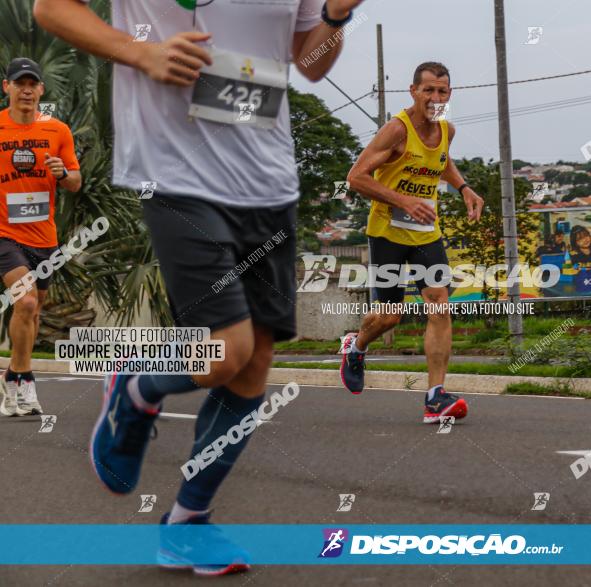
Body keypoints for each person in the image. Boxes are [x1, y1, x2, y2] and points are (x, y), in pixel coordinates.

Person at [35, 0, 363, 575]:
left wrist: (335, 16)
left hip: (267, 178)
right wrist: (140, 52)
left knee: (256, 361)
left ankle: (188, 521)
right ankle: (138, 388)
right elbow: (50, 8)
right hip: (174, 172)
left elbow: (308, 63)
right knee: (227, 349)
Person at [339, 62, 484, 423]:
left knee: (439, 304)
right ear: (413, 91)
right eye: (429, 90)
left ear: (450, 94)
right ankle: (356, 347)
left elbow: (442, 162)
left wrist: (463, 187)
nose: (435, 98)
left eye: (443, 91)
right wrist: (403, 201)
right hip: (387, 232)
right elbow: (356, 177)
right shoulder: (396, 131)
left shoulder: (447, 130)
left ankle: (435, 398)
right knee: (389, 316)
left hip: (426, 234)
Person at [0, 57, 82, 417]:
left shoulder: (58, 130)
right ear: (7, 88)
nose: (27, 90)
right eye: (20, 83)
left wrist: (63, 172)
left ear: (41, 91)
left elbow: (76, 183)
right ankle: (24, 380)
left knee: (32, 314)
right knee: (27, 302)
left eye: (33, 84)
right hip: (4, 235)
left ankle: (10, 376)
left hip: (44, 237)